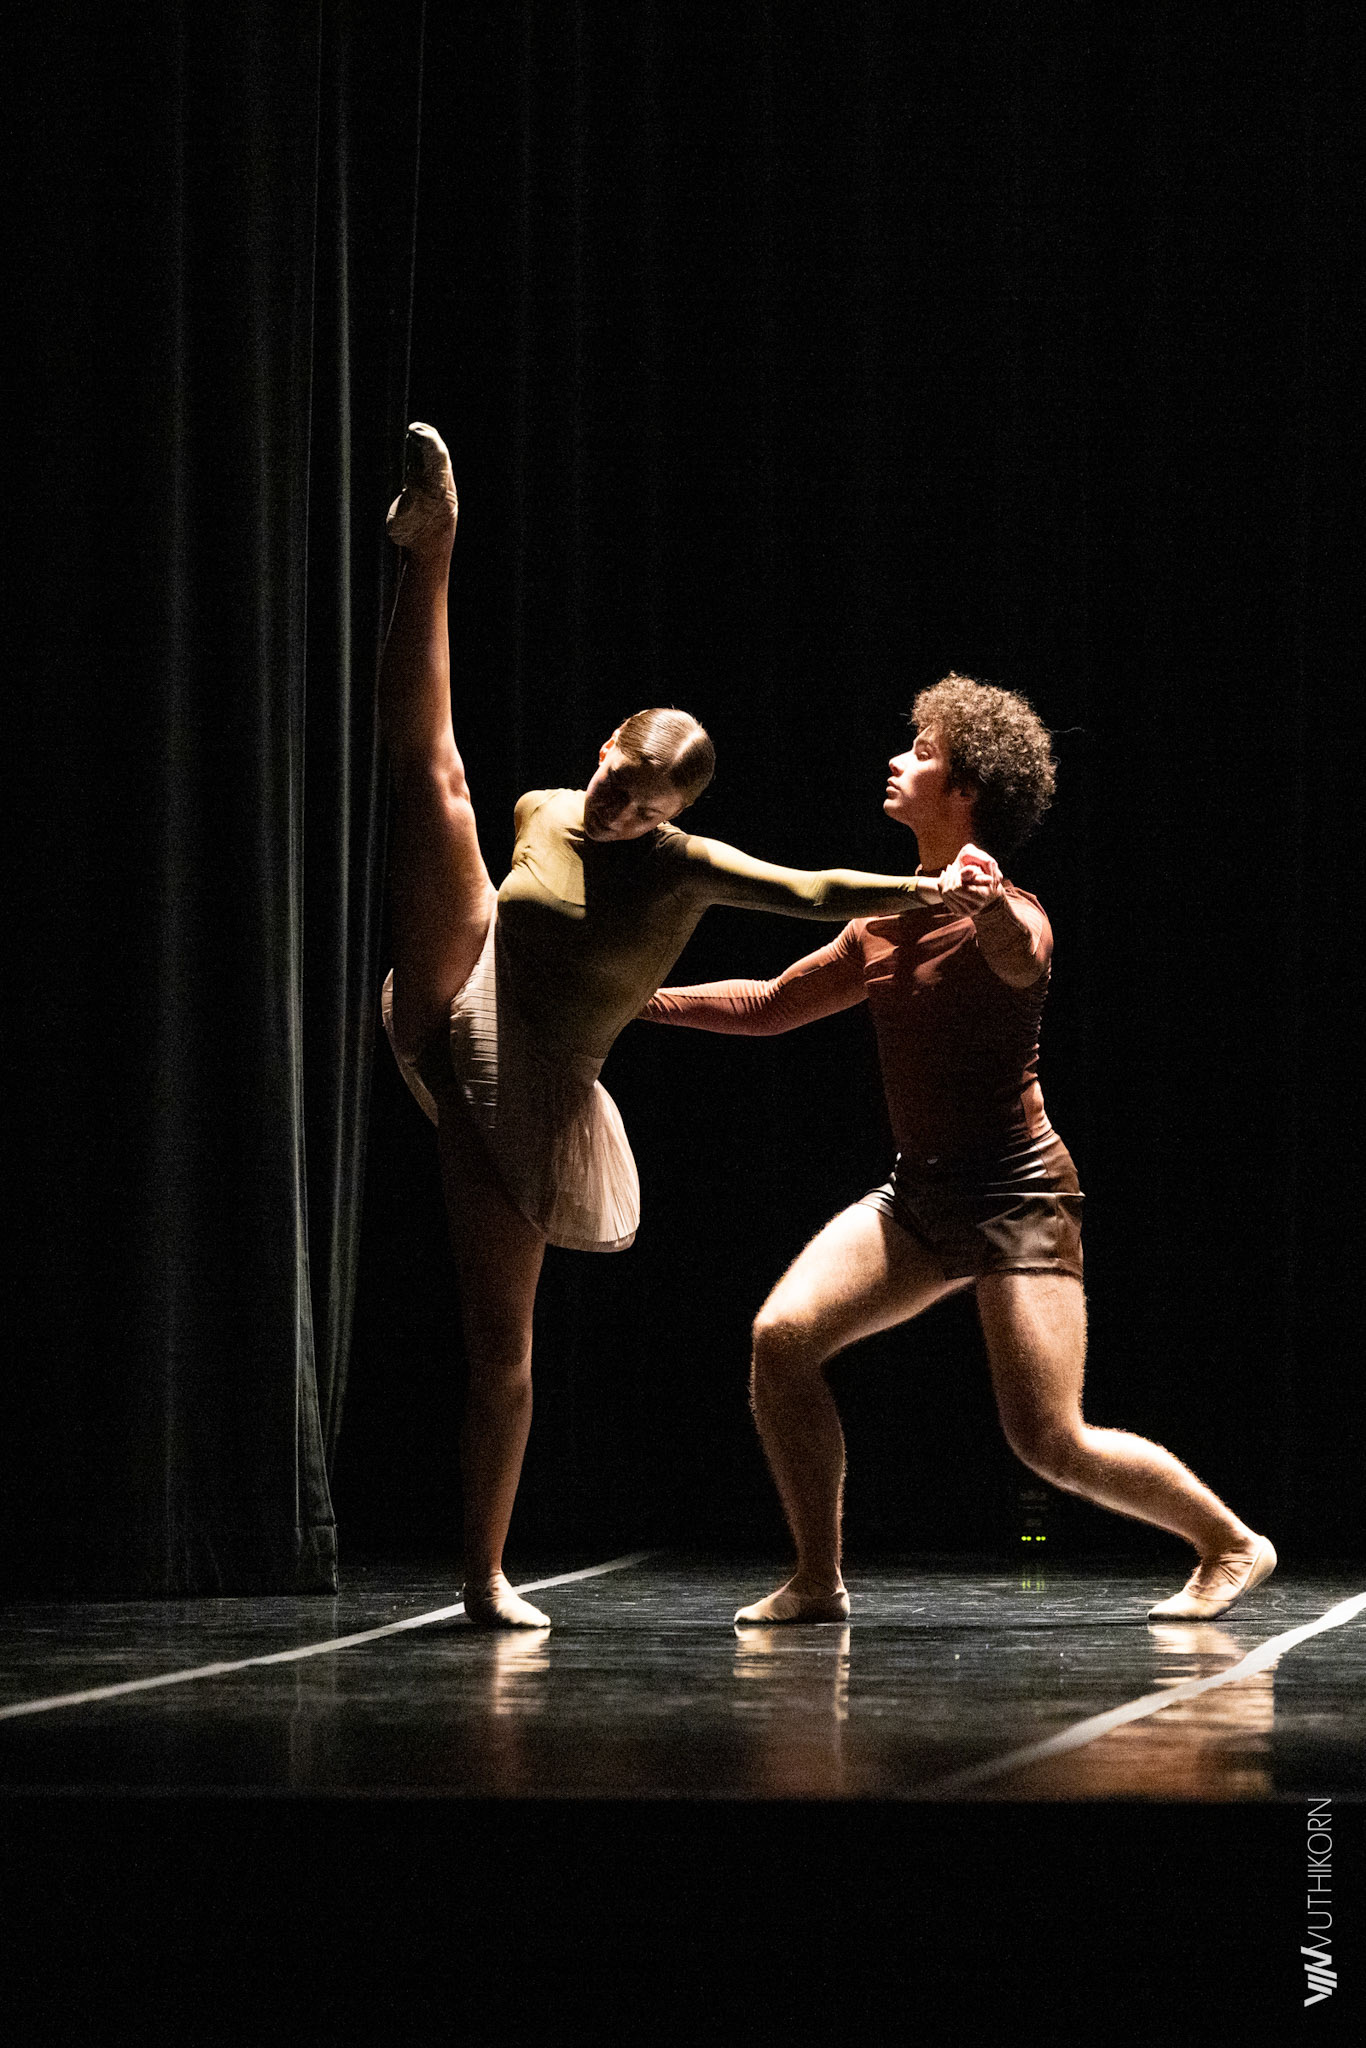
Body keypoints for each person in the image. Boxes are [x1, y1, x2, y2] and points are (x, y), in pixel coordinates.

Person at [377, 423, 942, 1628]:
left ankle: (482, 1575)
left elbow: (809, 890)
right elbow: (503, 852)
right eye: (612, 781)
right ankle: (433, 546)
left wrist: (924, 890)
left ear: (674, 812)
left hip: (533, 1087)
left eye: (641, 806)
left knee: (497, 1344)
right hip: (461, 994)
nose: (614, 809)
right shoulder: (543, 805)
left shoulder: (685, 866)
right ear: (603, 748)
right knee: (435, 784)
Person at [641, 674, 1276, 1625]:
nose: (898, 760)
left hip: (1019, 1197)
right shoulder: (883, 921)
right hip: (919, 1198)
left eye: (923, 752)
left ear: (968, 790)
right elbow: (771, 1004)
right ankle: (818, 1579)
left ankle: (1230, 1544)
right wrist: (637, 1004)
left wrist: (986, 909)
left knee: (1049, 1441)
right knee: (782, 1341)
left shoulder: (1014, 911)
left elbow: (1023, 954)